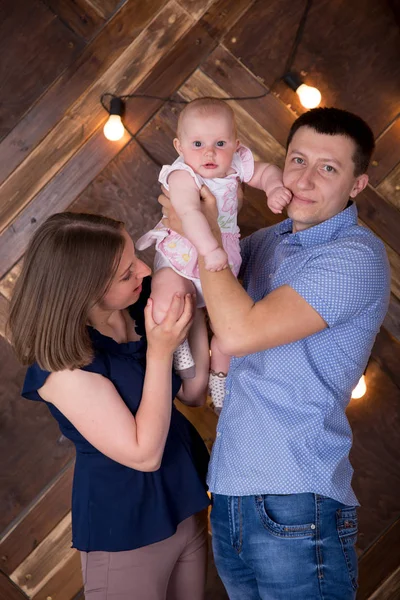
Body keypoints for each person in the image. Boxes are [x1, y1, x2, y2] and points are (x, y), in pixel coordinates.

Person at [160, 107, 391, 599]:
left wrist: (198, 230)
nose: (304, 180)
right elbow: (207, 313)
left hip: (297, 498)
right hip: (228, 493)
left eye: (328, 168)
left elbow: (240, 333)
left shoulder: (353, 256)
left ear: (358, 184)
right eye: (297, 160)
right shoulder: (263, 243)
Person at [7, 212, 211, 600]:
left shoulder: (138, 307)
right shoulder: (62, 369)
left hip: (185, 505)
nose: (143, 269)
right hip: (127, 530)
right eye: (125, 273)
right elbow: (144, 453)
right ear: (83, 292)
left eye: (134, 256)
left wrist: (192, 302)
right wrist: (162, 349)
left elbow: (193, 392)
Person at [137, 97, 291, 413]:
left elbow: (266, 172)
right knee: (168, 291)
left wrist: (274, 187)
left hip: (222, 260)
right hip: (183, 256)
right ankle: (177, 339)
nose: (209, 153)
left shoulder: (235, 164)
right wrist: (209, 249)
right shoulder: (182, 176)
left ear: (236, 145)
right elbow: (191, 213)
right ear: (179, 147)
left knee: (228, 332)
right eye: (198, 144)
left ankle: (220, 379)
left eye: (220, 143)